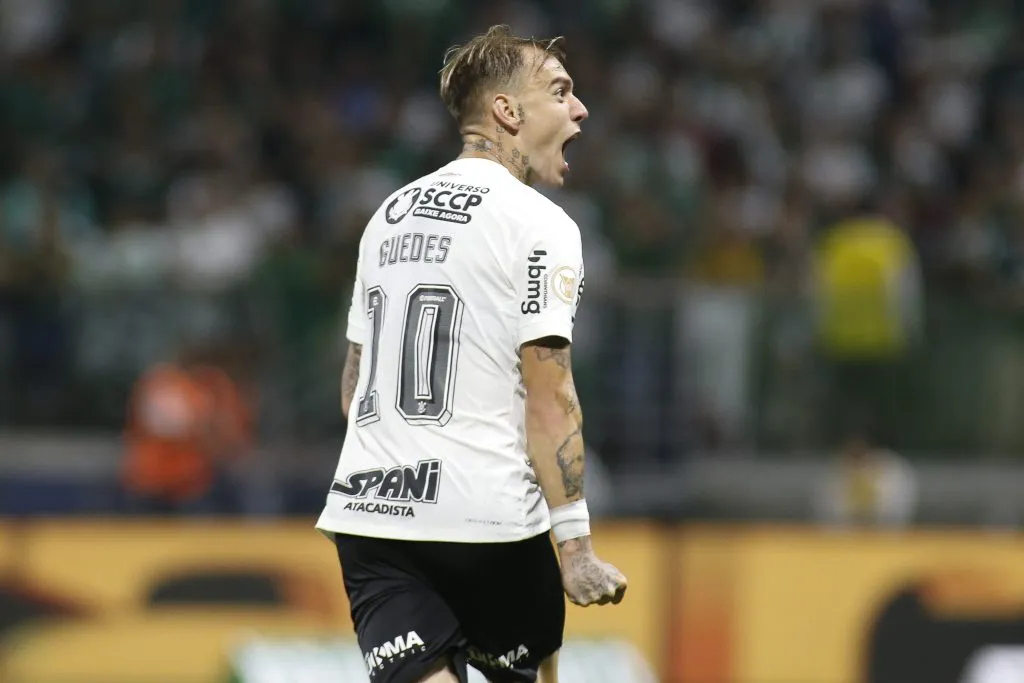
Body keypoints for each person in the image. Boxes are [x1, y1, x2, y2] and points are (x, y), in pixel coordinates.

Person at [315, 24, 627, 683]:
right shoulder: (539, 223)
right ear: (508, 112)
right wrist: (575, 549)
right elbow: (551, 395)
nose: (580, 109)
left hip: (372, 515)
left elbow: (354, 387)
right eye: (561, 92)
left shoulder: (389, 214)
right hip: (487, 523)